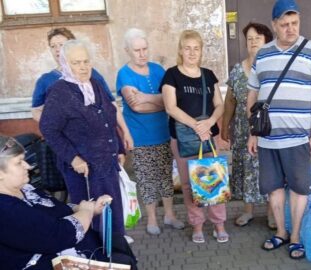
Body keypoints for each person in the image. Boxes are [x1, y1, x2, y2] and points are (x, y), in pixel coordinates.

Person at [247, 0, 311, 259]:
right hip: (267, 140)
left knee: (298, 189)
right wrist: (253, 132)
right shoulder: (262, 54)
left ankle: (295, 236)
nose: (290, 29)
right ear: (274, 25)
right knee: (273, 188)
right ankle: (281, 232)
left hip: (298, 139)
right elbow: (252, 96)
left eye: (294, 23)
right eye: (284, 25)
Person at [0, 136, 137, 270]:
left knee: (120, 247)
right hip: (62, 262)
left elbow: (56, 210)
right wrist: (86, 212)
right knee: (123, 259)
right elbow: (61, 235)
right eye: (19, 162)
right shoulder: (5, 210)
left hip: (86, 255)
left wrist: (87, 208)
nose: (28, 166)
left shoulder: (25, 188)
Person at [39, 40, 127, 237]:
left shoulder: (94, 84)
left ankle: (116, 251)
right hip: (84, 170)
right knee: (91, 217)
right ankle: (96, 259)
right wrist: (73, 158)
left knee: (112, 211)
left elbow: (109, 117)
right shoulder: (59, 91)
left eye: (86, 61)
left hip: (107, 163)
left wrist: (119, 148)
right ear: (65, 64)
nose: (83, 67)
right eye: (76, 62)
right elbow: (48, 129)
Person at [161, 30, 228, 244]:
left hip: (208, 136)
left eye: (196, 48)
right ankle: (197, 225)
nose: (191, 52)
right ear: (181, 50)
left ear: (201, 52)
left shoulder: (208, 75)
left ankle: (219, 224)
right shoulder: (171, 75)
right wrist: (197, 125)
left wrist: (208, 123)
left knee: (214, 180)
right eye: (187, 48)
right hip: (182, 139)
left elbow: (219, 104)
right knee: (191, 184)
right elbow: (170, 107)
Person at [116, 28, 184, 235]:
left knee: (166, 176)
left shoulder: (158, 70)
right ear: (128, 51)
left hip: (163, 132)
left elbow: (171, 100)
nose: (142, 53)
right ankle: (152, 219)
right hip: (141, 136)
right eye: (137, 50)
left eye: (145, 48)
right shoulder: (124, 73)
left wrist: (146, 97)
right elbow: (135, 106)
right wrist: (160, 102)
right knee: (147, 179)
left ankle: (170, 215)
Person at [31, 27, 133, 150]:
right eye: (53, 46)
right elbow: (36, 111)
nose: (58, 50)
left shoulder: (91, 74)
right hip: (69, 146)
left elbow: (110, 105)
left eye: (61, 45)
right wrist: (61, 130)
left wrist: (125, 131)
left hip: (98, 143)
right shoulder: (46, 80)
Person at [221, 22, 276, 228]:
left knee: (269, 169)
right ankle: (248, 211)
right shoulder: (237, 69)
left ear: (266, 41)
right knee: (246, 168)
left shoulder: (272, 67)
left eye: (257, 38)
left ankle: (272, 213)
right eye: (250, 39)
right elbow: (230, 101)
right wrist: (225, 126)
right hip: (243, 129)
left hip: (267, 128)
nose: (253, 42)